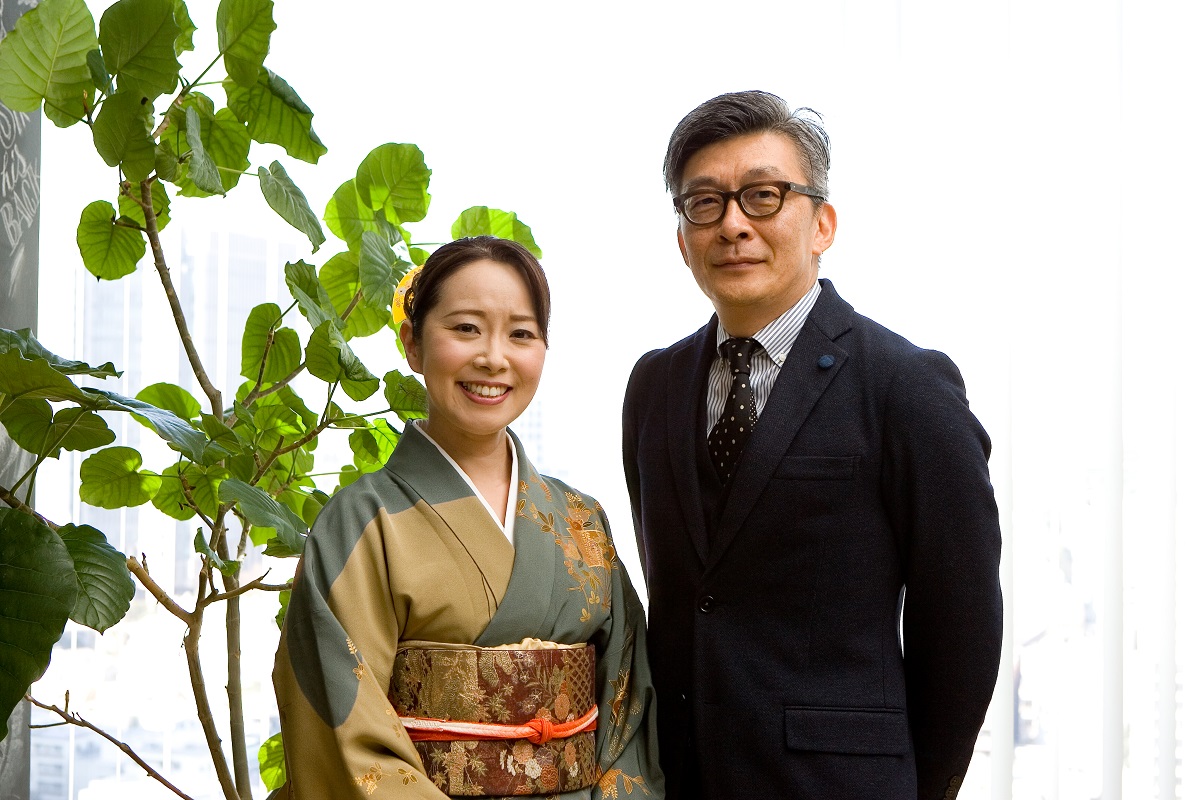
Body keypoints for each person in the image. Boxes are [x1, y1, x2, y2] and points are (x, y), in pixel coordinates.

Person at [622, 91, 1003, 800]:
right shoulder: (654, 386)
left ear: (822, 223)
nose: (733, 224)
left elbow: (962, 627)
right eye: (705, 203)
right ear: (681, 237)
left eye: (763, 196)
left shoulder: (906, 386)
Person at [274, 237, 662, 798]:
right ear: (413, 344)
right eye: (465, 328)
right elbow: (342, 730)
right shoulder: (361, 524)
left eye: (521, 334)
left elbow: (628, 705)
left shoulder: (582, 519)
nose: (493, 358)